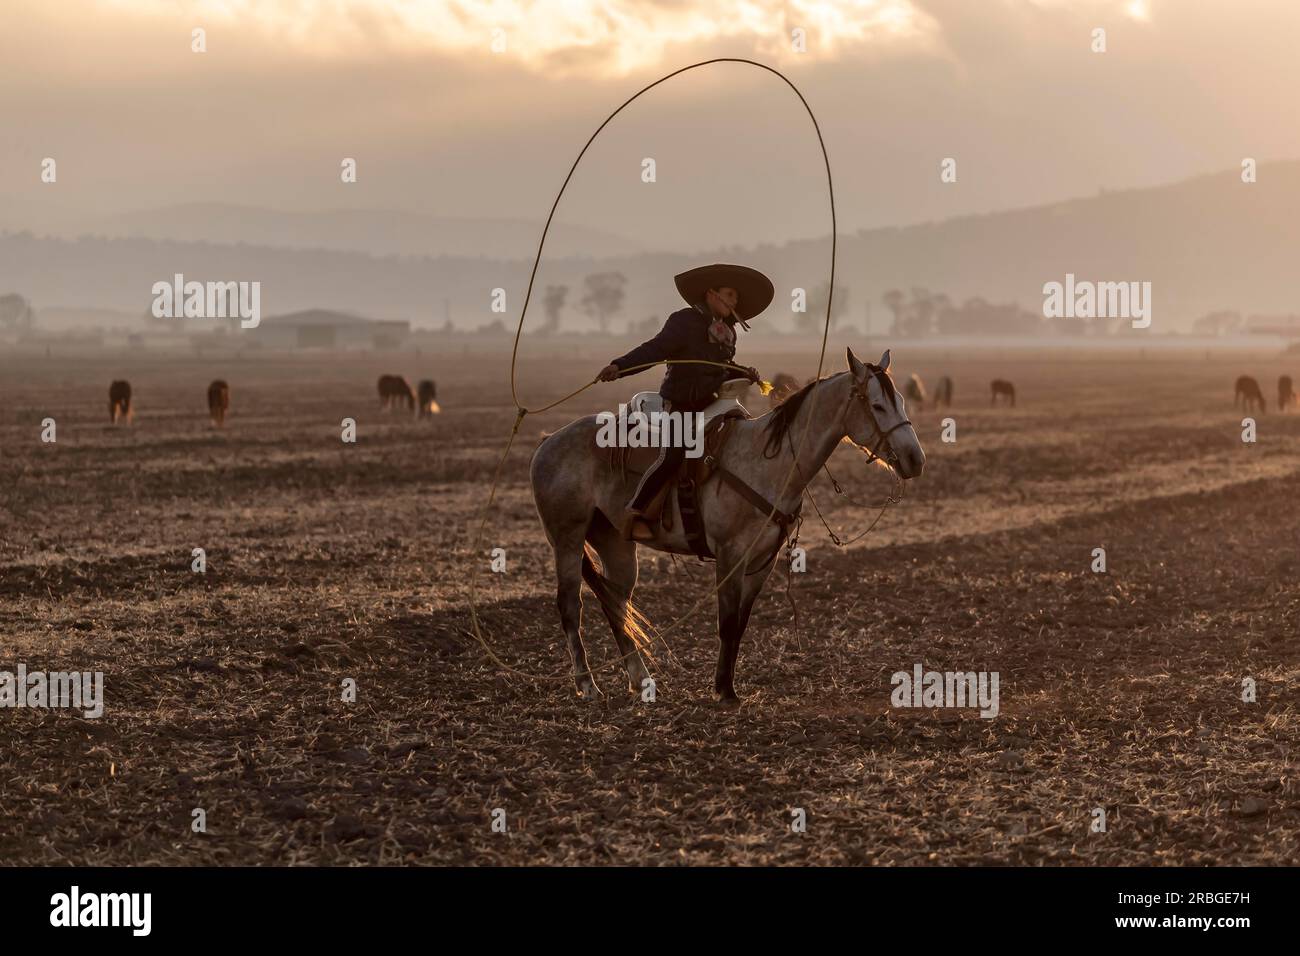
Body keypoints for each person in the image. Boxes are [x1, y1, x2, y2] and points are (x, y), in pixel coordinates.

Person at [596, 263, 774, 541]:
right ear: (711, 294)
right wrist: (620, 366)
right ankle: (636, 511)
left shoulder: (728, 331)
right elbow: (654, 350)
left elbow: (720, 367)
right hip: (679, 405)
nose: (735, 302)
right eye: (730, 295)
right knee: (674, 453)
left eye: (736, 298)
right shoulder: (683, 321)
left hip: (710, 404)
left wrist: (742, 372)